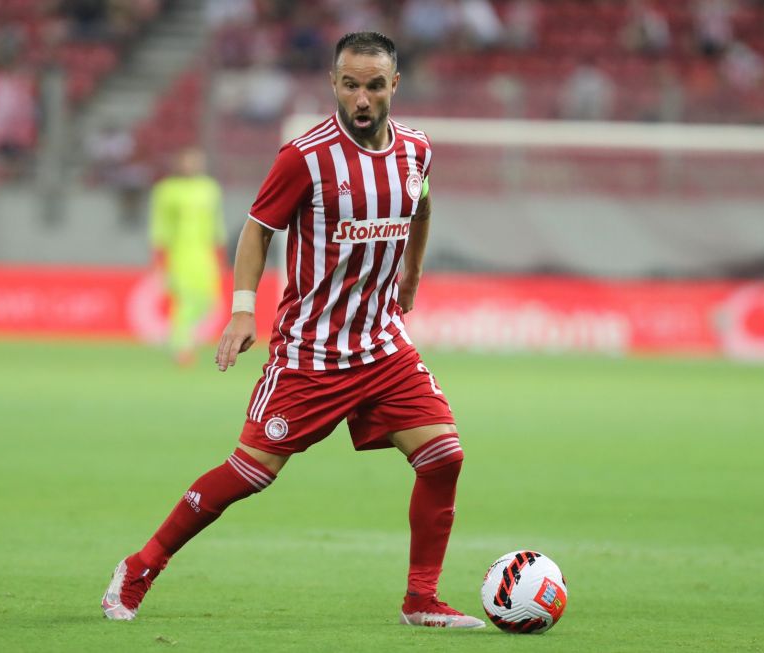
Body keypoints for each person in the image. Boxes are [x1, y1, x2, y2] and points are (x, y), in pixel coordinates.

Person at [101, 31, 485, 629]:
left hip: (382, 344)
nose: (362, 98)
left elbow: (423, 206)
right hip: (312, 352)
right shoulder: (304, 157)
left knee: (443, 457)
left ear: (394, 85)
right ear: (333, 83)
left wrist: (411, 273)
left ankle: (420, 600)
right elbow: (257, 230)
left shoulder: (416, 150)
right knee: (250, 473)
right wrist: (243, 309)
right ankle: (140, 565)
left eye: (374, 86)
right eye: (350, 85)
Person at [149, 146, 227, 365]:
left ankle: (183, 339)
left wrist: (220, 253)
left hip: (205, 254)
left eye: (196, 161)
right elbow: (160, 225)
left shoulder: (210, 188)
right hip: (179, 253)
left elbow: (217, 223)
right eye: (188, 161)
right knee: (183, 300)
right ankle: (181, 347)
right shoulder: (166, 190)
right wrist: (159, 256)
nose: (192, 165)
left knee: (207, 301)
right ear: (179, 163)